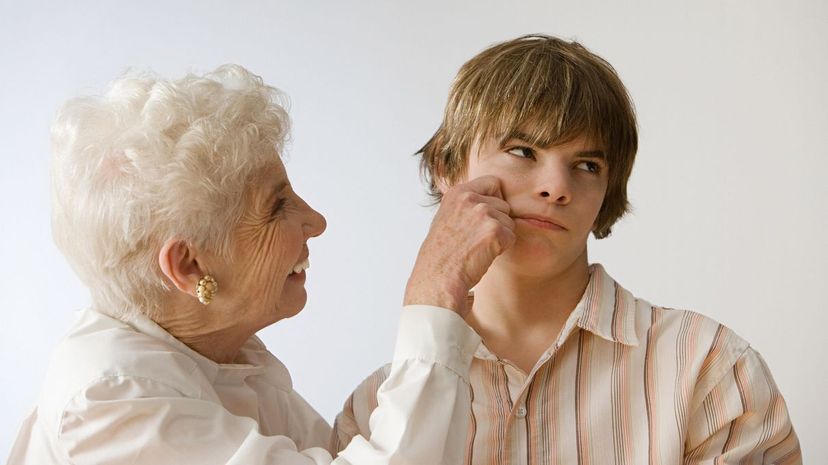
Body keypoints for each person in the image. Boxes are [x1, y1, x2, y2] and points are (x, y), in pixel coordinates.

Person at [8, 64, 516, 465]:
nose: (315, 221)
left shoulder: (221, 353)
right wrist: (432, 297)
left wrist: (443, 327)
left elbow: (342, 454)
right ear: (188, 265)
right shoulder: (110, 402)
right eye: (276, 206)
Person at [331, 35, 802, 464]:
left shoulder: (706, 366)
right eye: (523, 152)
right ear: (447, 168)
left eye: (587, 165)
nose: (556, 188)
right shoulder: (380, 406)